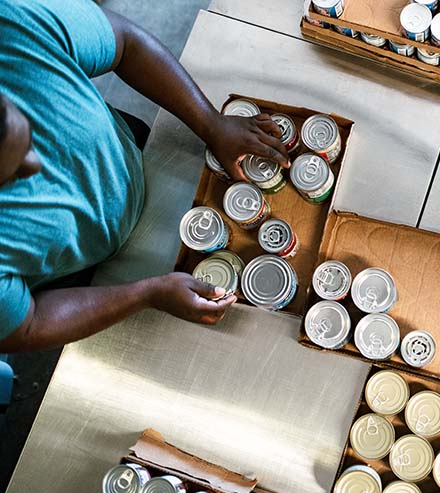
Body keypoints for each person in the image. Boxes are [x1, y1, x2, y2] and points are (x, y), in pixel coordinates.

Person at [0, 0, 290, 352]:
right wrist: (146, 293)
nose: (36, 165)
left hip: (130, 153)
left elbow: (127, 43)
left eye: (30, 135)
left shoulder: (11, 25)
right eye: (12, 175)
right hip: (74, 276)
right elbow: (26, 326)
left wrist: (212, 124)